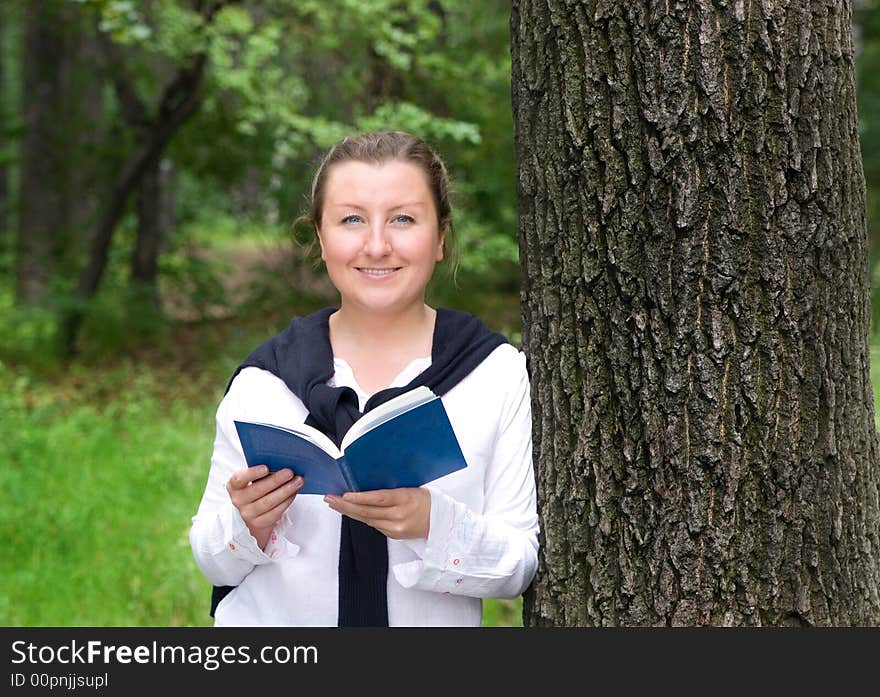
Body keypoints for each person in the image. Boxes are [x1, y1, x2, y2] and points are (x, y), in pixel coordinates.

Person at [189, 130, 539, 626]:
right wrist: (246, 524)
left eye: (403, 219)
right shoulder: (264, 383)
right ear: (320, 237)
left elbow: (520, 565)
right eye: (352, 219)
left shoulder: (494, 374)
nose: (377, 245)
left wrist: (432, 525)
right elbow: (212, 558)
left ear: (440, 237)